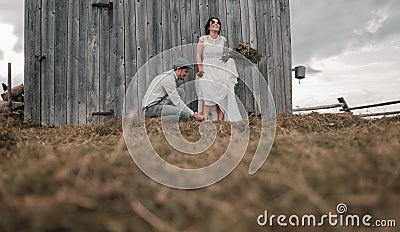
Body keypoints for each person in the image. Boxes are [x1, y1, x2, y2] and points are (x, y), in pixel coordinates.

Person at [196, 17, 242, 121]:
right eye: (213, 22)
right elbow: (198, 55)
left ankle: (220, 120)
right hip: (207, 67)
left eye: (218, 23)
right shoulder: (203, 39)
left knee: (223, 91)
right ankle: (204, 119)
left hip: (220, 67)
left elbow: (224, 55)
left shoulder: (223, 40)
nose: (216, 24)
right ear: (209, 26)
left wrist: (235, 55)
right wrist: (200, 69)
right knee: (207, 92)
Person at [142, 57, 205, 122]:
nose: (186, 74)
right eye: (185, 71)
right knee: (185, 115)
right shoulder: (168, 79)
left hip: (158, 104)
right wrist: (193, 114)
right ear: (178, 69)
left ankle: (173, 115)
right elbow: (176, 100)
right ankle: (155, 121)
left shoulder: (170, 76)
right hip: (151, 109)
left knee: (180, 91)